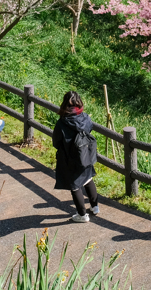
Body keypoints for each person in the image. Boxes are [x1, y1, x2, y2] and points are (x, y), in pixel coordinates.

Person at [52, 91, 100, 223]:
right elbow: (89, 130)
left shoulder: (62, 123)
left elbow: (56, 142)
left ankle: (82, 215)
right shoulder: (85, 117)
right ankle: (95, 206)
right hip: (86, 154)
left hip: (69, 158)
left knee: (75, 185)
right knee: (88, 179)